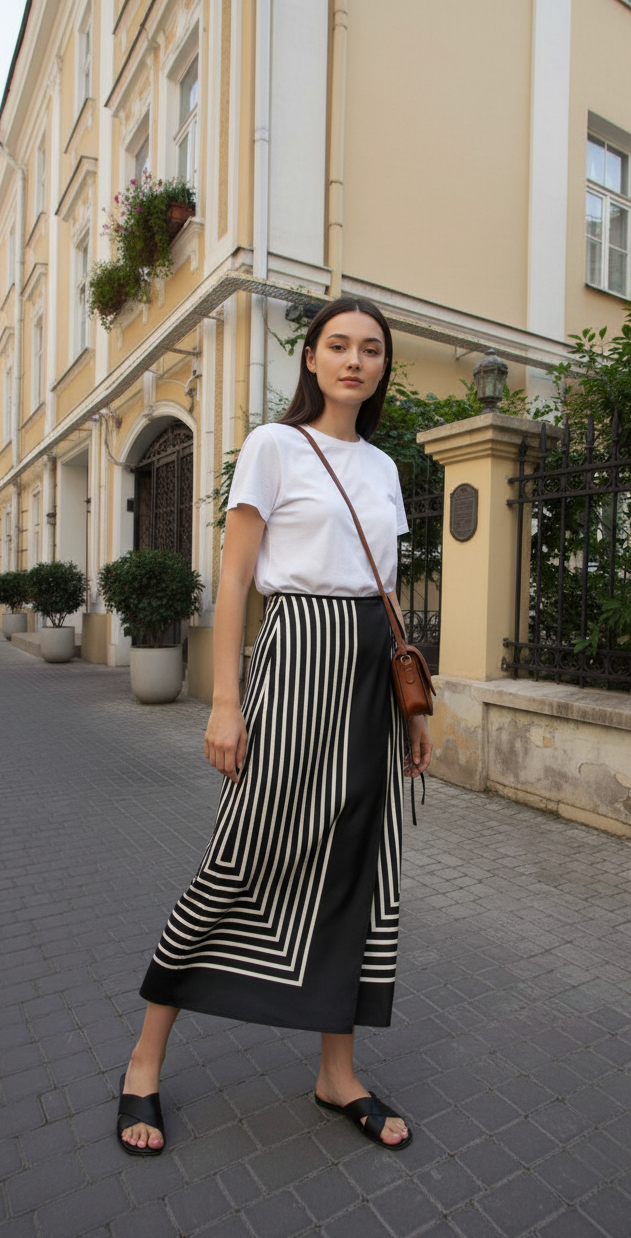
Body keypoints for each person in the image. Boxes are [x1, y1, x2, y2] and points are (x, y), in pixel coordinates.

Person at [116, 296, 432, 1157]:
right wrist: (225, 699)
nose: (354, 361)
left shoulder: (384, 466)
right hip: (294, 658)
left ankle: (339, 1074)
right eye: (338, 345)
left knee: (361, 865)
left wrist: (413, 706)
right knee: (245, 850)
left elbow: (389, 588)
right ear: (312, 358)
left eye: (371, 349)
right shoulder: (272, 446)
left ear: (381, 367)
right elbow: (234, 578)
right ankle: (143, 1063)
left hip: (371, 666)